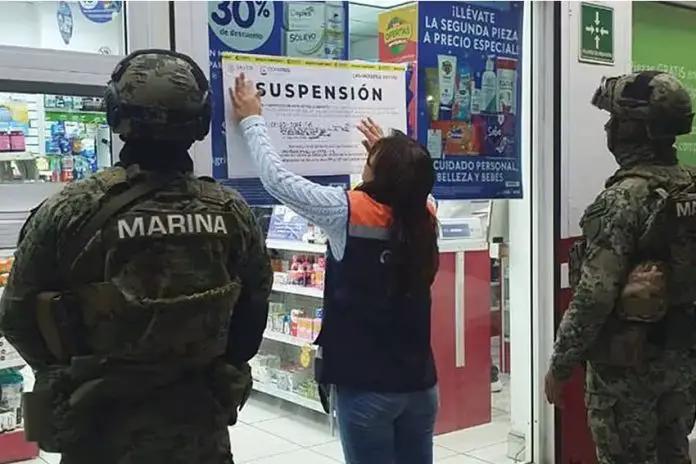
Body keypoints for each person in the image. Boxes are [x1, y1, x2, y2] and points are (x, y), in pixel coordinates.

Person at [0, 49, 272, 464]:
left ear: (115, 113)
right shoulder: (232, 212)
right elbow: (251, 316)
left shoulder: (70, 209)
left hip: (97, 428)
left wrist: (64, 373)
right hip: (199, 427)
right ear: (201, 121)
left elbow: (17, 316)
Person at [230, 73, 439, 464]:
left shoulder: (345, 211)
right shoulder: (426, 214)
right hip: (420, 387)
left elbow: (276, 180)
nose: (365, 164)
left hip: (366, 389)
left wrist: (252, 119)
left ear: (380, 176)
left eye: (371, 161)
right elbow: (412, 185)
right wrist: (389, 155)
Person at [545, 71, 696, 463]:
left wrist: (561, 364)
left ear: (636, 129)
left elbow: (594, 296)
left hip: (627, 372)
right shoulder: (690, 186)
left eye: (616, 119)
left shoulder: (621, 200)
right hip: (681, 363)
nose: (610, 126)